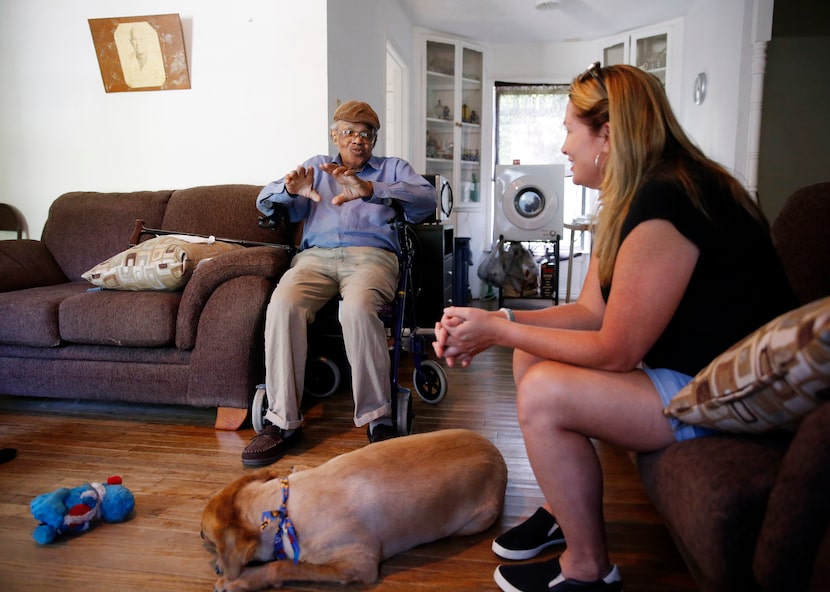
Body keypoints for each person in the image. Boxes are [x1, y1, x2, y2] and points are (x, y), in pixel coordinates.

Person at [432, 63, 797, 592]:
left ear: (607, 134)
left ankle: (588, 572)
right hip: (687, 370)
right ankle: (564, 507)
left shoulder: (667, 199)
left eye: (568, 130)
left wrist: (497, 331)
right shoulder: (634, 193)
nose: (563, 148)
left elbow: (614, 349)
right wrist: (502, 319)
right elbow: (590, 313)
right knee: (531, 357)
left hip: (724, 393)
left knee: (545, 393)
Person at [243, 100, 435, 467]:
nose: (357, 140)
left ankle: (378, 419)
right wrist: (290, 191)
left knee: (359, 309)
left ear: (374, 140)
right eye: (349, 132)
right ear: (335, 135)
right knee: (282, 305)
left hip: (371, 257)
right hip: (315, 259)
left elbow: (426, 200)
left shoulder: (393, 169)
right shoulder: (316, 166)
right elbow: (264, 200)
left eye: (366, 134)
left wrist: (371, 189)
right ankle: (281, 421)